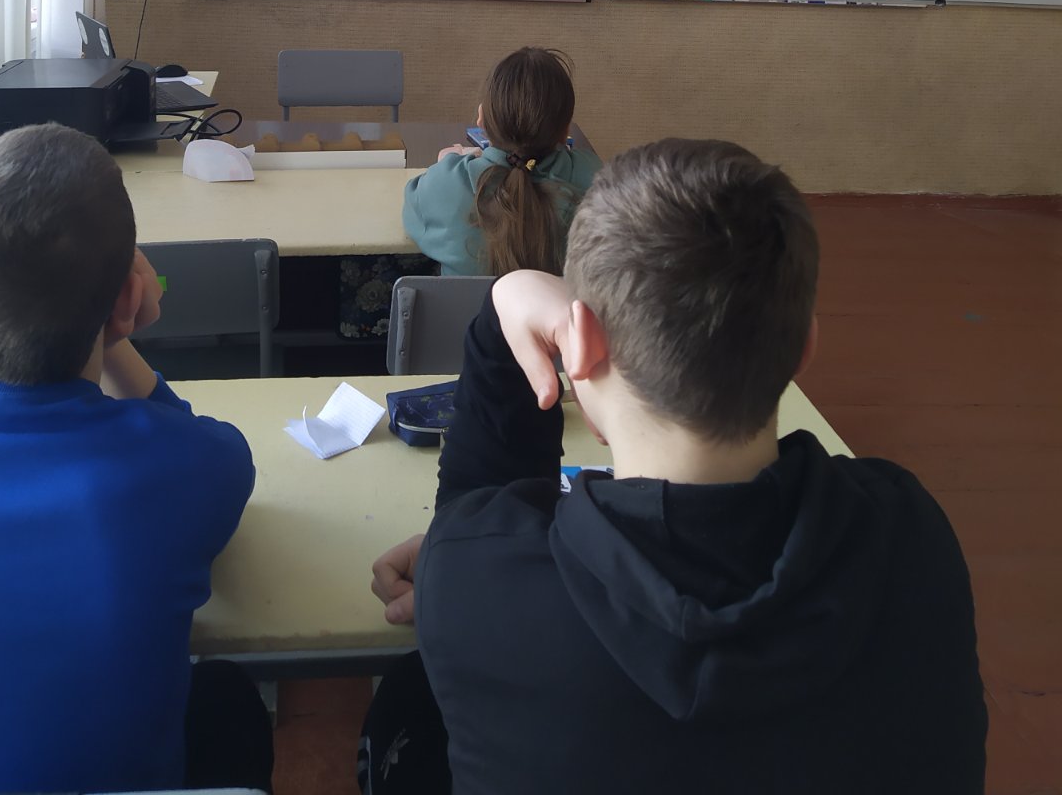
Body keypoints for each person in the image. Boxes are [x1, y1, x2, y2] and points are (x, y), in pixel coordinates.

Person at [364, 139, 986, 795]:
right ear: (804, 348)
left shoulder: (476, 572)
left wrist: (506, 301)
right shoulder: (911, 534)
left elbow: (472, 521)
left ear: (580, 346)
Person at [0, 123, 273, 795]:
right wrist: (114, 332)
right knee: (226, 697)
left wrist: (110, 315)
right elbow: (189, 440)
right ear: (126, 303)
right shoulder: (191, 465)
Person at [401, 47, 602, 277]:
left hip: (468, 304)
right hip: (564, 302)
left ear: (482, 120)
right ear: (566, 130)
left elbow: (412, 212)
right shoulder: (596, 179)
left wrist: (448, 166)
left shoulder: (444, 184)